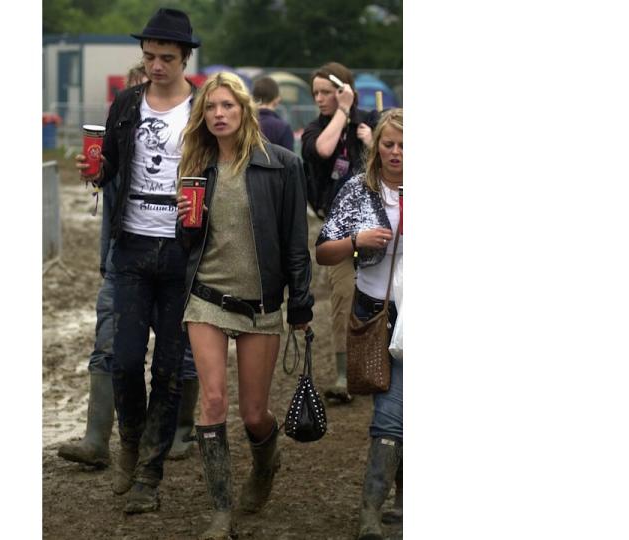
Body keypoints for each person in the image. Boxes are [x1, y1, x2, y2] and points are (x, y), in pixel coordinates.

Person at [175, 72, 314, 540]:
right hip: (207, 298)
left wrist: (302, 304)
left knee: (254, 413)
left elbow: (296, 241)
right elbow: (188, 245)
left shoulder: (282, 165)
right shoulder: (196, 164)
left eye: (227, 106)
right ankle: (220, 511)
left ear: (245, 110)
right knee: (213, 401)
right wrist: (187, 224)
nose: (218, 114)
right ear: (202, 115)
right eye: (210, 107)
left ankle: (264, 465)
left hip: (260, 304)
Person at [74, 7, 201, 514]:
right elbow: (112, 169)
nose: (156, 66)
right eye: (149, 56)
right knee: (124, 359)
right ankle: (128, 442)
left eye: (166, 58)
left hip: (181, 250)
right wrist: (98, 167)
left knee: (170, 369)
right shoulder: (126, 102)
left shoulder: (203, 108)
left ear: (184, 57)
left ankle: (149, 474)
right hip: (129, 245)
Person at [314, 109, 403, 540]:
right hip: (375, 313)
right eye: (389, 144)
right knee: (391, 406)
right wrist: (356, 242)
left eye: (405, 145)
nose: (396, 153)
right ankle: (385, 502)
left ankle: (373, 510)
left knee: (393, 412)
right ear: (376, 146)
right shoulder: (357, 191)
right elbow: (323, 251)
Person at [301, 62, 380, 404]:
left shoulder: (372, 121)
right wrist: (342, 111)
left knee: (384, 300)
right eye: (315, 92)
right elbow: (322, 150)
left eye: (326, 92)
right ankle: (344, 375)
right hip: (339, 230)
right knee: (342, 299)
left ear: (344, 88)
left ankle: (383, 365)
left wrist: (372, 140)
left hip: (380, 227)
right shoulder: (314, 130)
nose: (319, 98)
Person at [251, 76, 294, 151]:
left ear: (253, 97)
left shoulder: (244, 123)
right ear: (277, 99)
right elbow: (289, 160)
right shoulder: (283, 127)